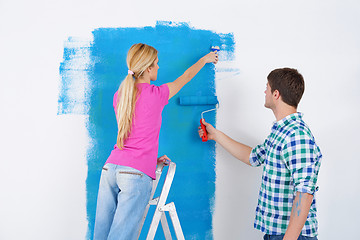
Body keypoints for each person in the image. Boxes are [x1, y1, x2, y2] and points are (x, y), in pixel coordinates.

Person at [93, 43, 218, 240]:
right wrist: (205, 59)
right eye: (157, 64)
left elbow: (132, 137)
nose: (159, 67)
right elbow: (184, 78)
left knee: (101, 235)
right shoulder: (156, 94)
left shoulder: (120, 96)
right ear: (149, 67)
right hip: (135, 174)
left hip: (110, 169)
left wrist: (150, 159)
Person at [198, 68, 322, 240]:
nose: (265, 91)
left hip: (292, 236)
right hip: (276, 234)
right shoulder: (280, 131)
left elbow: (304, 193)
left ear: (276, 94)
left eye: (267, 87)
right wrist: (216, 135)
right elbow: (253, 157)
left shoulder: (296, 136)